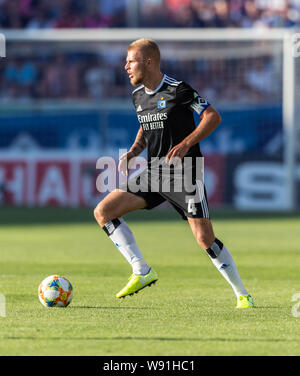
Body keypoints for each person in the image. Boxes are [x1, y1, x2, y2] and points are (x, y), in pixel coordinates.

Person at [94, 38, 254, 309]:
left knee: (205, 239)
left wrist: (186, 143)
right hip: (155, 171)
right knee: (103, 212)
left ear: (148, 62)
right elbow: (146, 125)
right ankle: (141, 270)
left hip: (186, 174)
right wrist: (134, 151)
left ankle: (242, 294)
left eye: (130, 61)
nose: (125, 66)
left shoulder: (178, 90)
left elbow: (213, 116)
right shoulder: (137, 95)